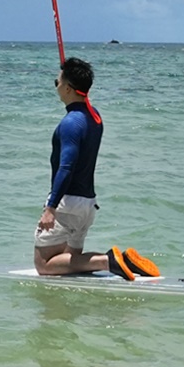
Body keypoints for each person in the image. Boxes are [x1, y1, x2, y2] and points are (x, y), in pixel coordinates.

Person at [35, 56, 159, 279]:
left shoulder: (71, 124)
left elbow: (66, 167)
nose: (56, 86)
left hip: (67, 204)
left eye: (58, 82)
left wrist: (50, 208)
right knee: (71, 265)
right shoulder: (95, 117)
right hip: (87, 205)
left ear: (69, 89)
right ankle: (126, 262)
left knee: (44, 265)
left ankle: (107, 260)